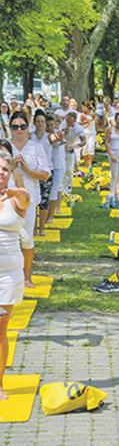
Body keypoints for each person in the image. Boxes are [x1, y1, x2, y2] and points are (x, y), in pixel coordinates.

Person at [9, 112, 50, 288]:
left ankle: (27, 276)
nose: (19, 130)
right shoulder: (5, 146)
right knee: (7, 238)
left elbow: (45, 175)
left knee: (26, 238)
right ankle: (9, 276)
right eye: (15, 127)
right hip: (6, 198)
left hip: (28, 198)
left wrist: (26, 169)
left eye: (22, 126)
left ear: (28, 127)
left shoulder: (36, 148)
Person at [0, 153, 29, 400]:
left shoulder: (15, 200)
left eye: (5, 169)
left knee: (0, 329)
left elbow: (26, 198)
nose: (1, 173)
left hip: (8, 275)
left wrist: (16, 190)